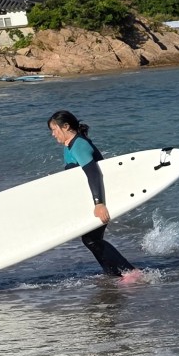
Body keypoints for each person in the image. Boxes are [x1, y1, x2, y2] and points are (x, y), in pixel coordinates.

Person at [46, 110, 141, 282]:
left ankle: (130, 272)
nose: (53, 134)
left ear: (66, 126)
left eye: (54, 129)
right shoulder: (69, 147)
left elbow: (94, 174)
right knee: (91, 239)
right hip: (91, 199)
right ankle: (114, 274)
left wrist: (99, 204)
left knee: (91, 239)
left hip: (100, 197)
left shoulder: (79, 145)